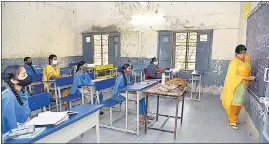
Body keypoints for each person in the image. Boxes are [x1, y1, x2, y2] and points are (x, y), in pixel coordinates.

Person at [221, 44, 255, 130]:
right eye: (240, 54)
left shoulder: (246, 60)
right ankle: (232, 120)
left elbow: (247, 70)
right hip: (236, 85)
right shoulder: (234, 62)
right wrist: (248, 78)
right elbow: (233, 76)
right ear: (236, 54)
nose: (242, 55)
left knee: (240, 103)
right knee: (235, 103)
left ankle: (235, 118)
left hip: (244, 85)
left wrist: (248, 76)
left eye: (244, 53)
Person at [2, 65, 32, 133]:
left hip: (25, 128)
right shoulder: (8, 97)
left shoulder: (23, 92)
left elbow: (27, 116)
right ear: (14, 80)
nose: (27, 76)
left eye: (26, 73)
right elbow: (9, 127)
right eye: (23, 75)